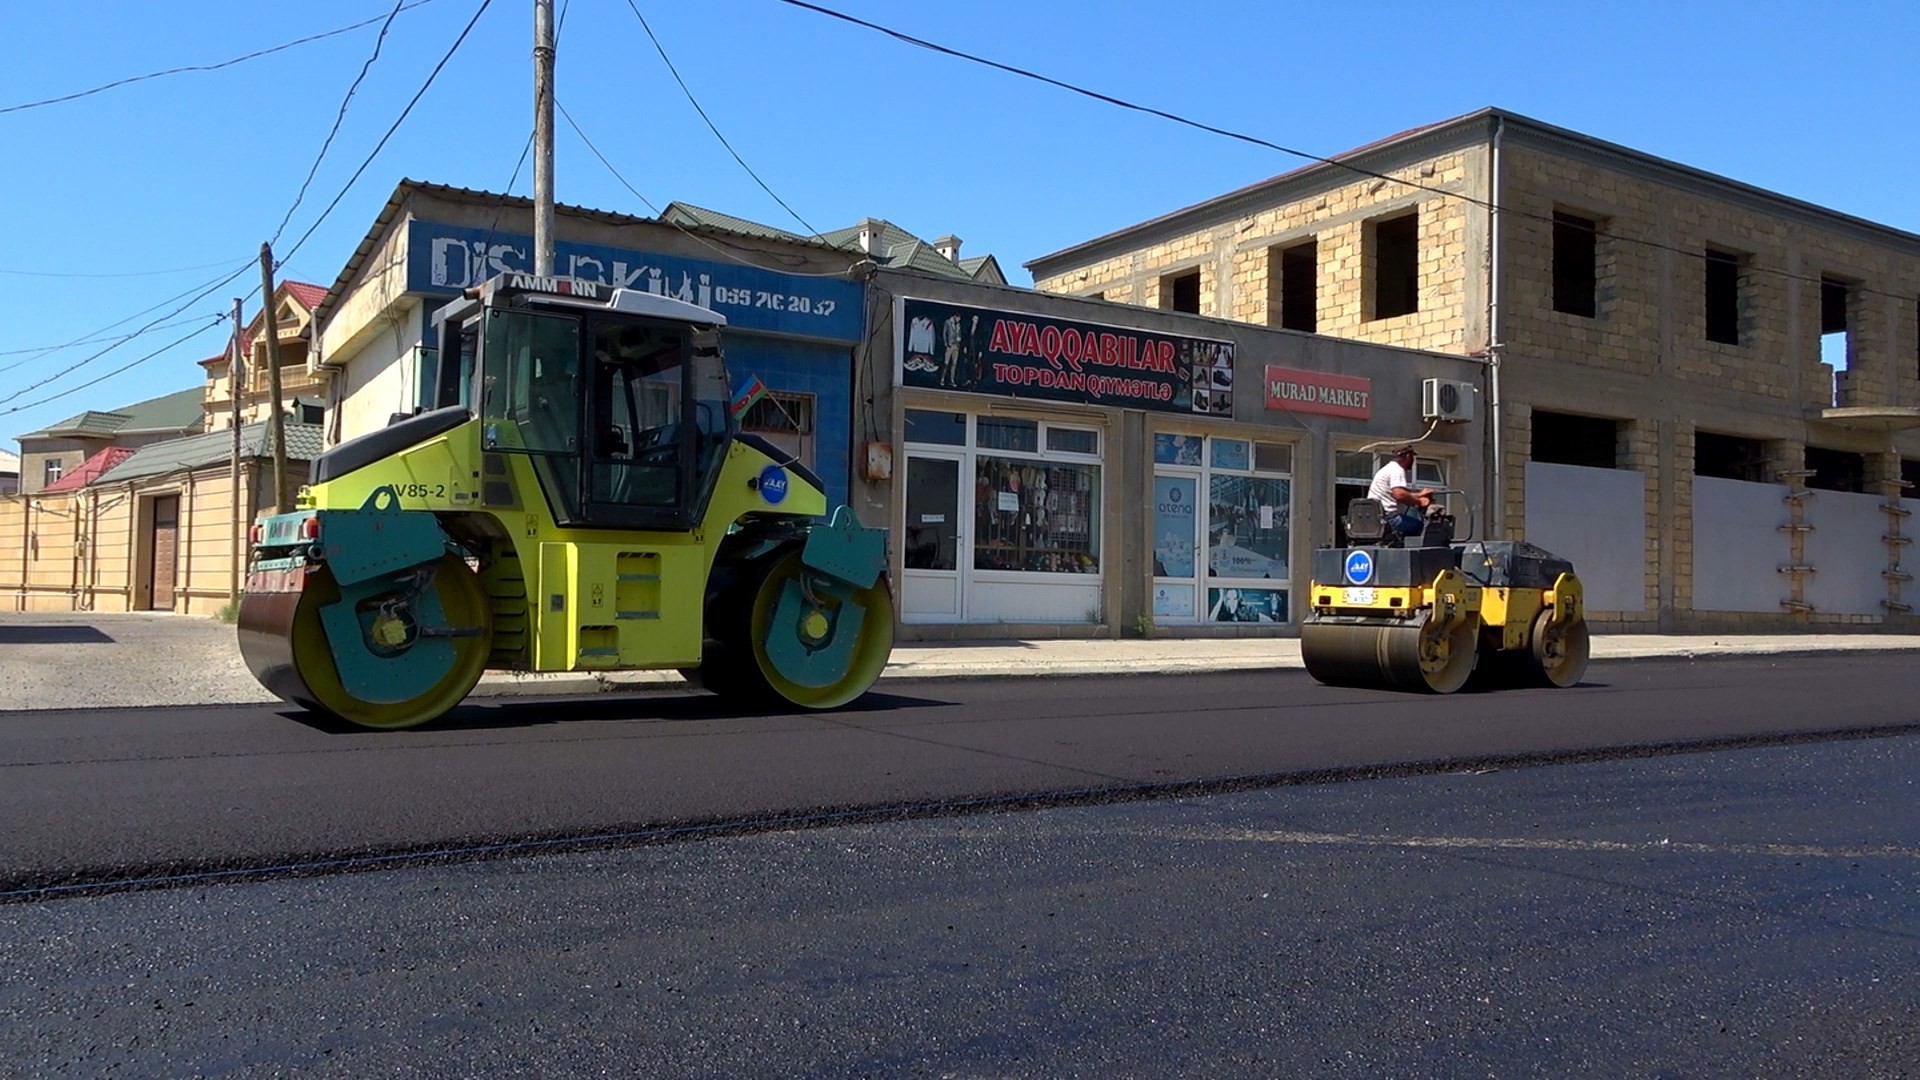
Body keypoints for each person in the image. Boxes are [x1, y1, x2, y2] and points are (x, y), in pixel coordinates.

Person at [1368, 445, 1433, 538]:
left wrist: (1419, 494)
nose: (1413, 460)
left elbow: (1395, 493)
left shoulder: (1387, 469)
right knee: (1422, 527)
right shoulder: (1397, 470)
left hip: (1376, 518)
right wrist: (1420, 502)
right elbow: (1399, 494)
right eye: (1412, 457)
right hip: (1390, 518)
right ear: (1408, 456)